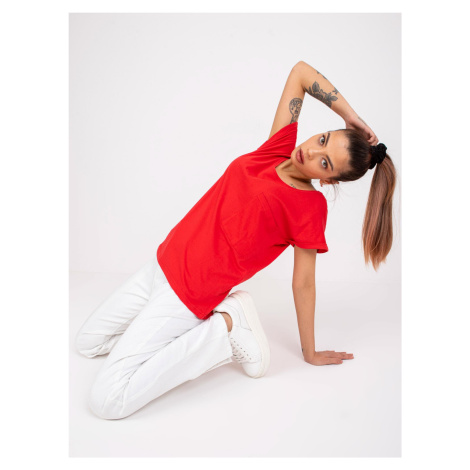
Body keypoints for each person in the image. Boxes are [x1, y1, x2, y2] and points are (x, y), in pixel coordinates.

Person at [75, 60, 397, 420]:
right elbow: (300, 73)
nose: (311, 152)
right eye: (323, 140)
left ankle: (224, 328)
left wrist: (310, 351)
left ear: (329, 181)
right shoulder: (277, 149)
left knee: (107, 401)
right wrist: (351, 117)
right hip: (161, 265)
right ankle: (185, 335)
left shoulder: (309, 206)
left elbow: (304, 282)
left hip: (188, 295)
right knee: (88, 344)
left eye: (325, 164)